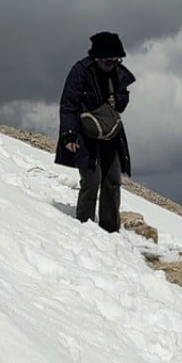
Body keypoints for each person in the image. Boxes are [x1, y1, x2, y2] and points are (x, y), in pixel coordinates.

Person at [54, 32, 136, 233]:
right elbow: (68, 104)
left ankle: (110, 228)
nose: (113, 65)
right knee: (91, 180)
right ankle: (85, 226)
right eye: (108, 61)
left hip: (110, 134)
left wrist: (118, 100)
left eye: (116, 61)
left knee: (113, 180)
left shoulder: (118, 72)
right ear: (97, 58)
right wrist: (69, 135)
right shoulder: (80, 71)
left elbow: (124, 97)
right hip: (84, 133)